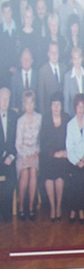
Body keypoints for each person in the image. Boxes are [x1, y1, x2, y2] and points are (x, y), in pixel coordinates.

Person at [15, 88, 40, 220]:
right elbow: (18, 144)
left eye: (31, 103)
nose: (29, 106)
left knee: (33, 171)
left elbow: (41, 140)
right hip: (23, 154)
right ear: (23, 105)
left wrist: (36, 153)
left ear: (34, 104)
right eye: (26, 103)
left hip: (35, 153)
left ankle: (31, 207)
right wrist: (25, 156)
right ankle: (21, 206)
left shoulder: (39, 118)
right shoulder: (20, 120)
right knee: (25, 172)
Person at [0, 85, 15, 220]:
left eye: (7, 99)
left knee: (11, 179)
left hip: (10, 157)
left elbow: (17, 140)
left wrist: (11, 156)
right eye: (2, 98)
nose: (5, 101)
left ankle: (6, 212)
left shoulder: (14, 116)